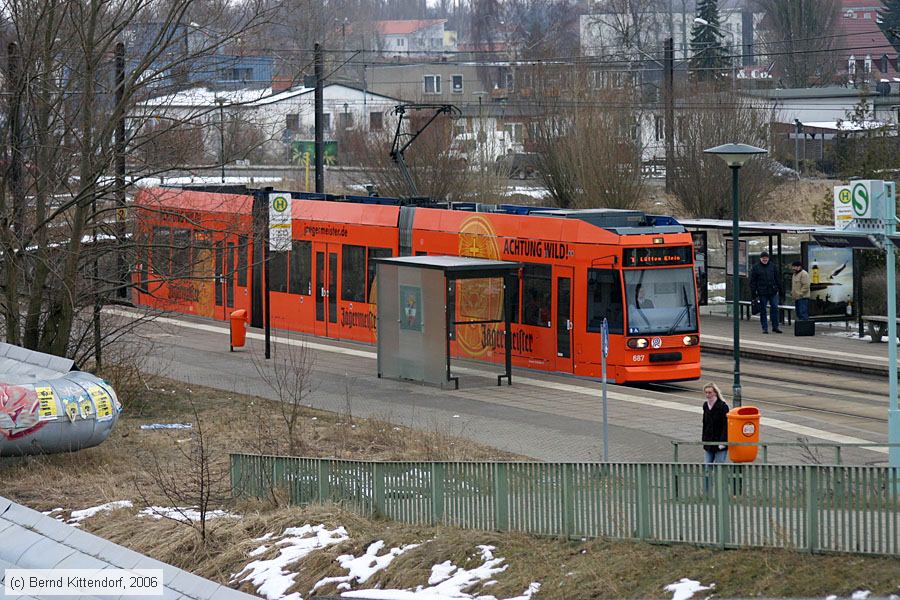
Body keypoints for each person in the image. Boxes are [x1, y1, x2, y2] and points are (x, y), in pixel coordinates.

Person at [749, 250, 782, 334]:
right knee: (763, 310)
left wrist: (779, 288)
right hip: (762, 292)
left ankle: (775, 326)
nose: (765, 259)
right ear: (760, 259)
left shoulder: (772, 266)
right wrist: (754, 292)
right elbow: (753, 281)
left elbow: (777, 278)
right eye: (763, 258)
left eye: (766, 258)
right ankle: (765, 328)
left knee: (775, 308)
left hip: (773, 291)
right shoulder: (756, 267)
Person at [701, 383, 729, 465]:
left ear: (715, 393)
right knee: (707, 465)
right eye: (706, 392)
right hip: (709, 442)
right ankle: (708, 478)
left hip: (720, 442)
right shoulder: (706, 405)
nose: (707, 395)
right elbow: (705, 423)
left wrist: (723, 442)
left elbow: (726, 426)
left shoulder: (723, 406)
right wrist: (704, 439)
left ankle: (719, 478)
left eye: (710, 392)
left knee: (719, 465)